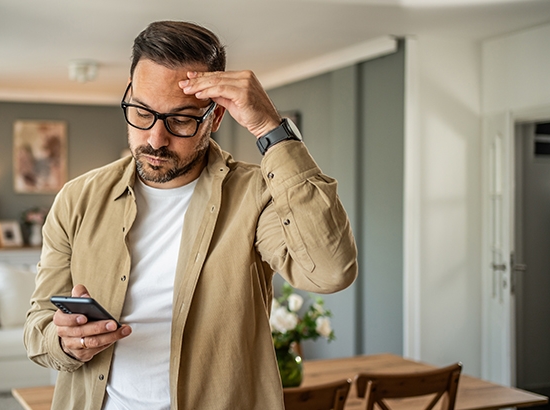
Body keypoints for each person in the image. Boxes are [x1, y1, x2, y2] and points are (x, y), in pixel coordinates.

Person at [24, 20, 358, 410]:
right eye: (142, 112)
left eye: (180, 119)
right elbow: (38, 328)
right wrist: (64, 342)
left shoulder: (257, 197)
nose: (154, 138)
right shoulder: (77, 199)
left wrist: (270, 126)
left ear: (214, 119)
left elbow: (331, 270)